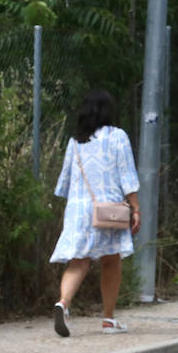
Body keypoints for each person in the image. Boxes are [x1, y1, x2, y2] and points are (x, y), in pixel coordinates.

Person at [50, 89, 141, 336]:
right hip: (108, 210)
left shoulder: (75, 141)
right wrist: (135, 207)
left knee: (79, 260)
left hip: (78, 209)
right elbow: (127, 175)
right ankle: (108, 320)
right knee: (111, 260)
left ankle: (64, 303)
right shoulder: (118, 136)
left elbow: (65, 182)